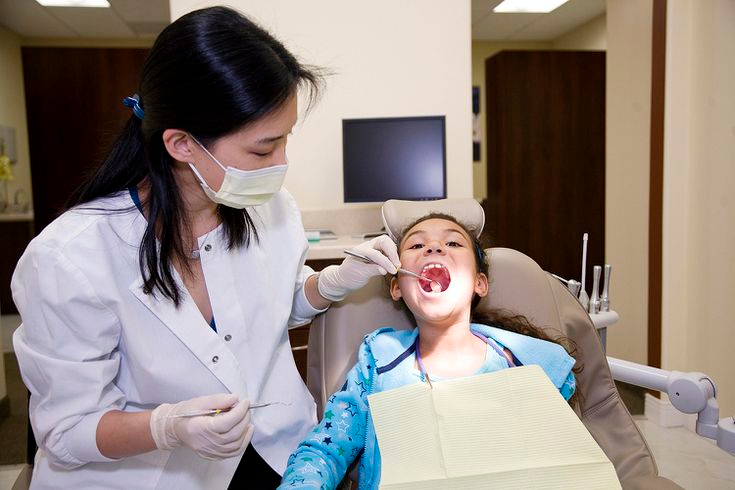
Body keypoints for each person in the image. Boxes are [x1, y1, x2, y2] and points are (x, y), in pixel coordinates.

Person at [11, 6, 399, 490]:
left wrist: (329, 284)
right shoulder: (69, 258)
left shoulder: (272, 211)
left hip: (275, 453)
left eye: (285, 141)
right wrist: (166, 426)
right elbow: (66, 431)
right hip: (150, 474)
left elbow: (266, 312)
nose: (281, 164)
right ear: (181, 144)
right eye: (263, 149)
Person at [278, 212, 580, 489]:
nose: (434, 248)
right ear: (397, 287)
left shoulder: (523, 368)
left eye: (452, 242)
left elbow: (563, 465)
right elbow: (323, 452)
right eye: (416, 245)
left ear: (479, 284)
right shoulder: (377, 368)